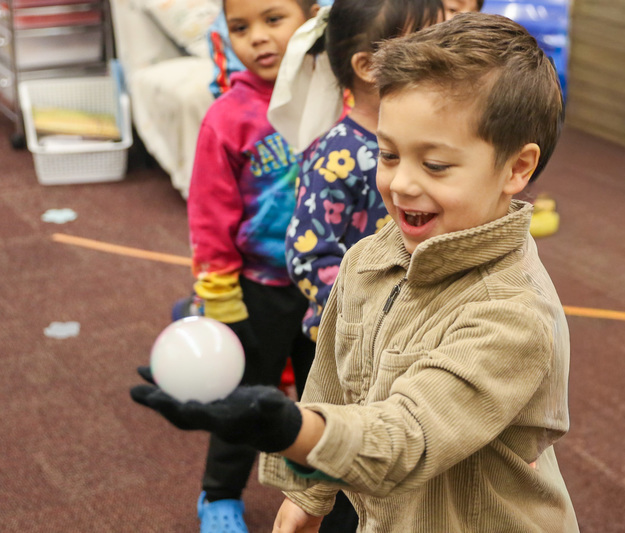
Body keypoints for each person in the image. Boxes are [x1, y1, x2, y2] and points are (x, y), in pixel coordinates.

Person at [132, 12, 577, 533]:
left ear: (517, 169)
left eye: (435, 165)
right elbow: (335, 386)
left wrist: (287, 429)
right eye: (387, 154)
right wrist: (307, 493)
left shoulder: (512, 312)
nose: (401, 184)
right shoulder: (369, 257)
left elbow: (406, 438)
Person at [279, 1, 443, 530]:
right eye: (424, 46)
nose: (441, 56)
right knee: (340, 480)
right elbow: (307, 255)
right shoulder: (337, 153)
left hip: (413, 344)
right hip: (340, 347)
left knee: (400, 460)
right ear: (369, 67)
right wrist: (375, 312)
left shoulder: (436, 143)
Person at [168, 0, 319, 530]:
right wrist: (221, 298)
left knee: (325, 394)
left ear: (312, 19)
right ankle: (220, 494)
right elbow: (209, 216)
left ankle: (317, 490)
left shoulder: (334, 99)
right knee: (245, 393)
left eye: (273, 19)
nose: (257, 37)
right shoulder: (228, 117)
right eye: (240, 26)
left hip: (327, 287)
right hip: (260, 287)